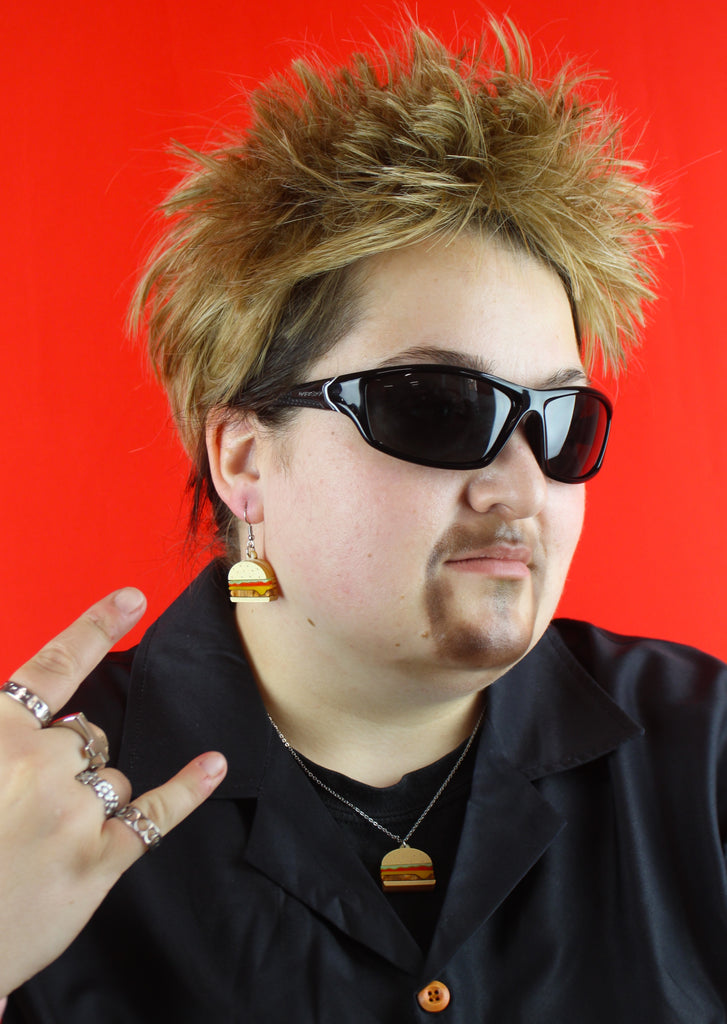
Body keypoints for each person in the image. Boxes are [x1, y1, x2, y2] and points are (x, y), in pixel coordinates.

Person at [3, 20, 726, 1023]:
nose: (519, 487)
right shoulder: (27, 813)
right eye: (438, 406)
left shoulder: (705, 756)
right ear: (244, 457)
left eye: (561, 421)